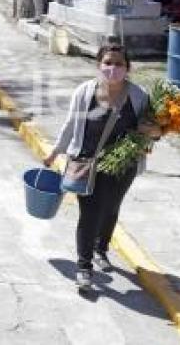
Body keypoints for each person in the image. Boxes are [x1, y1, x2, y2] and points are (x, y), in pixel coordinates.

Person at [44, 44, 161, 293]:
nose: (113, 68)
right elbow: (70, 124)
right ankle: (84, 267)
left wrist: (152, 131)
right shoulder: (84, 92)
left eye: (119, 64)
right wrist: (55, 151)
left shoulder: (138, 96)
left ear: (128, 68)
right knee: (89, 213)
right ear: (98, 65)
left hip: (121, 166)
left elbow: (154, 130)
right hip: (86, 163)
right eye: (108, 63)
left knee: (110, 208)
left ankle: (101, 249)